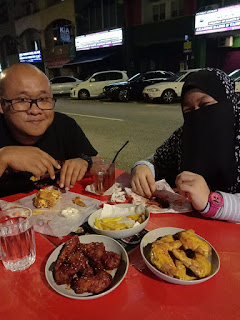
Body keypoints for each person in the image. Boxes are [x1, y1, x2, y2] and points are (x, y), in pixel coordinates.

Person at [131, 68, 240, 223]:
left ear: (227, 101)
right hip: (188, 227)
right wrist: (142, 167)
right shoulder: (185, 134)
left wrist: (212, 202)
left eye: (205, 105)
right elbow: (157, 160)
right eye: (188, 110)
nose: (197, 114)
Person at [0, 63, 97, 197]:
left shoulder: (64, 124)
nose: (35, 110)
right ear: (1, 105)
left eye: (43, 99)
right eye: (22, 99)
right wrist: (3, 157)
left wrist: (84, 161)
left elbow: (99, 162)